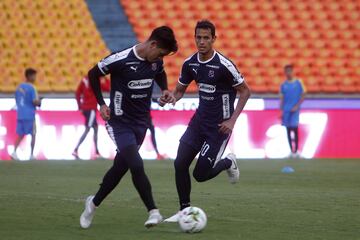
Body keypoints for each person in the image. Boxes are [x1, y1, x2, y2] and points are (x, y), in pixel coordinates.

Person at [79, 26, 178, 229]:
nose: (160, 58)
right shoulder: (120, 59)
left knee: (120, 168)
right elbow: (92, 74)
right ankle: (153, 211)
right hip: (119, 122)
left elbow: (159, 72)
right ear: (153, 45)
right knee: (136, 164)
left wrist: (165, 89)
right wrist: (101, 103)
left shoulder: (155, 60)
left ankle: (93, 202)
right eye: (160, 54)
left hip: (141, 123)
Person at [160, 20, 251, 222]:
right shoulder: (190, 64)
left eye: (206, 38)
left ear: (213, 39)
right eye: (198, 37)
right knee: (180, 163)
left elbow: (245, 91)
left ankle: (228, 161)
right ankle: (184, 211)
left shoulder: (224, 65)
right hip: (199, 122)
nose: (202, 42)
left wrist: (232, 121)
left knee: (200, 175)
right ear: (194, 38)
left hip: (219, 128)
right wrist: (171, 98)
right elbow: (180, 91)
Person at [72, 76, 110, 159]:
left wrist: (80, 106)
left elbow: (78, 93)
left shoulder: (84, 79)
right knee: (88, 129)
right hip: (91, 108)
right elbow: (108, 88)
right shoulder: (96, 80)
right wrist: (105, 79)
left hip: (86, 108)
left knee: (95, 129)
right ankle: (75, 150)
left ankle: (97, 152)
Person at [11, 68, 41, 160]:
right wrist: (39, 102)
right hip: (29, 114)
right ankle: (31, 155)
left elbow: (16, 100)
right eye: (34, 75)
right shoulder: (32, 88)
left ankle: (14, 152)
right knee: (33, 134)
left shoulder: (19, 87)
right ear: (29, 76)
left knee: (21, 134)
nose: (35, 77)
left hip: (20, 114)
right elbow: (34, 101)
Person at [280, 64, 306, 158]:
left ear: (292, 71)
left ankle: (296, 151)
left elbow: (303, 95)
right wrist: (281, 111)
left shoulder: (299, 83)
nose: (288, 73)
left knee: (295, 129)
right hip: (286, 111)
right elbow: (282, 99)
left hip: (294, 111)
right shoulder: (283, 85)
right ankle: (291, 151)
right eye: (286, 71)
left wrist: (297, 106)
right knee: (288, 130)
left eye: (289, 71)